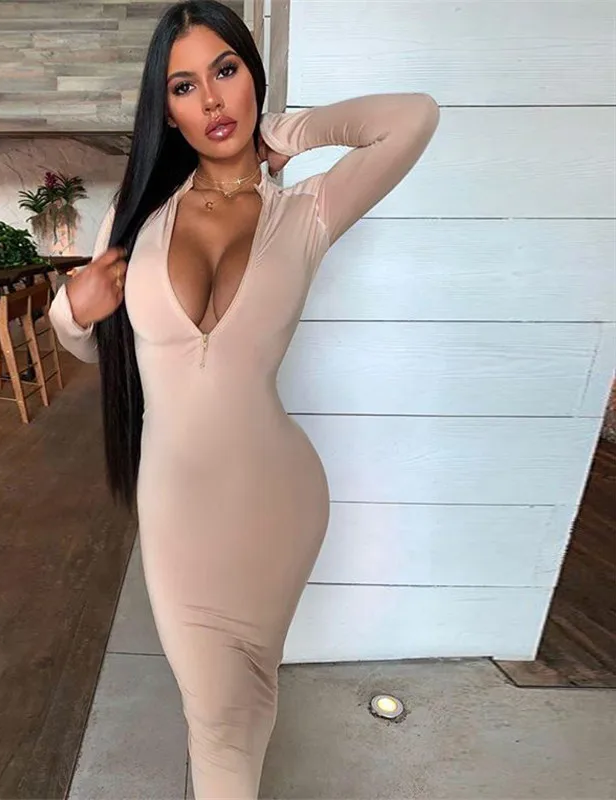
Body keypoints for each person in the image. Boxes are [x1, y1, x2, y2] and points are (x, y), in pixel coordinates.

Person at [48, 1, 439, 796]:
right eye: (184, 85)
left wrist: (289, 132)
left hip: (276, 499)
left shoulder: (309, 211)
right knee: (218, 708)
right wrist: (70, 311)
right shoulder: (135, 217)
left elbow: (414, 117)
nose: (212, 100)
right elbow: (94, 348)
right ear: (167, 110)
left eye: (226, 71)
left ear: (252, 78)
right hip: (177, 506)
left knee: (244, 698)